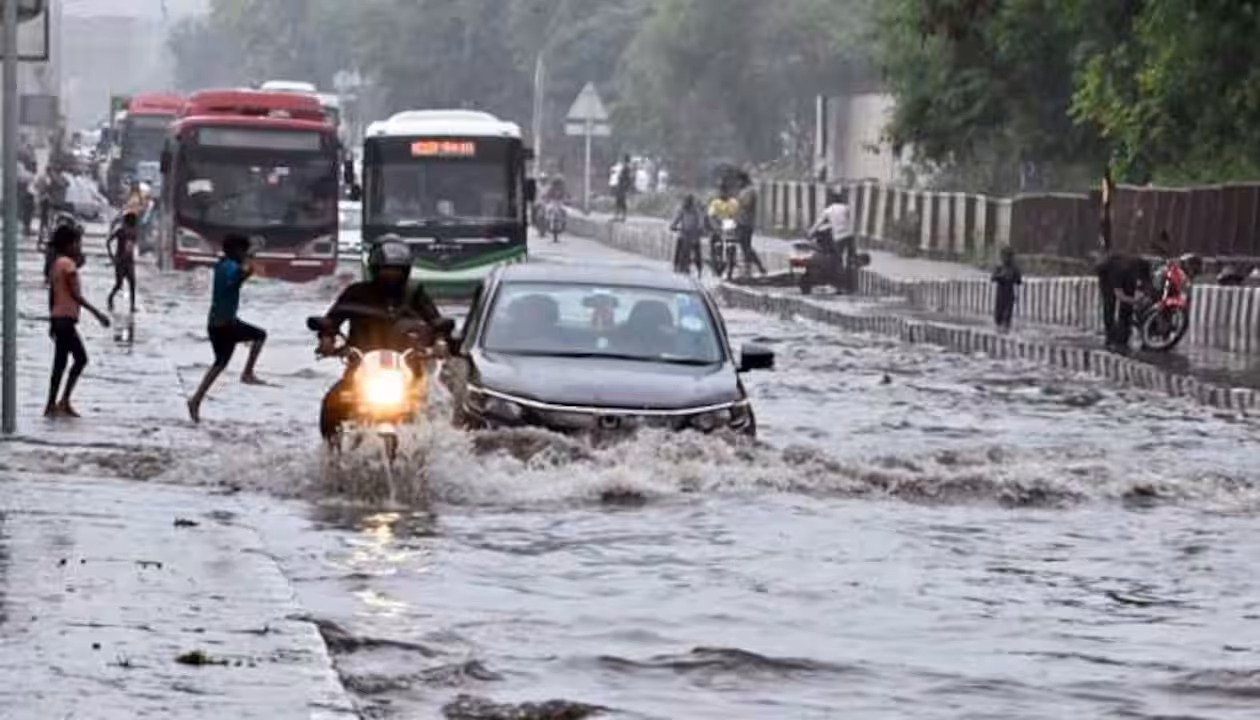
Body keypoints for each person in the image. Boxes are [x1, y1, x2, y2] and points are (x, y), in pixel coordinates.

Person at [314, 236, 447, 442]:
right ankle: (331, 454)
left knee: (433, 411)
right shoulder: (356, 293)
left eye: (397, 270)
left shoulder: (415, 293)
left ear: (406, 271)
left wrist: (439, 342)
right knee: (333, 403)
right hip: (360, 367)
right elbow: (332, 320)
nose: (391, 275)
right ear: (375, 269)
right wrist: (326, 339)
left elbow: (436, 321)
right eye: (386, 269)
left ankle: (431, 456)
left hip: (408, 369)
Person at [187, 234, 267, 422]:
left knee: (220, 364)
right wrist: (249, 265)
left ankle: (196, 400)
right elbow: (237, 277)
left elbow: (238, 278)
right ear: (236, 251)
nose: (245, 254)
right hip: (225, 325)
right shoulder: (230, 266)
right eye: (243, 251)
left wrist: (248, 264)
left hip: (218, 322)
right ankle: (247, 373)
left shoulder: (222, 265)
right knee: (260, 335)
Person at [45, 225, 110, 418]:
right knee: (80, 359)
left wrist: (51, 320)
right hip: (66, 319)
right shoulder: (68, 266)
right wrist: (98, 314)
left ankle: (52, 404)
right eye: (77, 243)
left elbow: (52, 295)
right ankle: (63, 401)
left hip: (58, 318)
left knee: (60, 363)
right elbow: (75, 295)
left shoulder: (56, 264)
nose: (79, 246)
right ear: (69, 244)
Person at [1095, 249, 1154, 351]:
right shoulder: (1118, 272)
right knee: (1110, 303)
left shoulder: (1142, 265)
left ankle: (1124, 334)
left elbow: (1148, 283)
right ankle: (1110, 336)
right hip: (1107, 270)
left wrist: (1147, 295)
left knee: (1127, 306)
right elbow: (1120, 295)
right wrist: (1136, 301)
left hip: (1125, 270)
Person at [734, 172, 767, 277]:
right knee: (744, 247)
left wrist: (739, 202)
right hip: (740, 222)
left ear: (743, 180)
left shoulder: (750, 191)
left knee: (746, 247)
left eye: (738, 181)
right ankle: (756, 266)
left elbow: (748, 204)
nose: (737, 183)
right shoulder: (743, 191)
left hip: (746, 223)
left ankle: (752, 268)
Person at [107, 212, 139, 314]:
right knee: (121, 284)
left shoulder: (130, 232)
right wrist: (113, 256)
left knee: (130, 284)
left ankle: (132, 306)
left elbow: (108, 242)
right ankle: (111, 298)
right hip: (123, 262)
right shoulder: (124, 231)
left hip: (126, 262)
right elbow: (109, 242)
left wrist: (112, 256)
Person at [670, 194, 708, 276]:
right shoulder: (682, 210)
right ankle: (676, 264)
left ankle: (699, 267)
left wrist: (700, 228)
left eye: (689, 203)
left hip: (694, 234)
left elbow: (701, 221)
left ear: (691, 203)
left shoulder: (697, 211)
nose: (687, 205)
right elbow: (677, 219)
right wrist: (673, 225)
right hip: (684, 233)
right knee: (679, 244)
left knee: (697, 251)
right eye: (686, 202)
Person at [991, 247, 1022, 333]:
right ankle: (999, 330)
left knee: (1007, 316)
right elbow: (993, 278)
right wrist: (1001, 276)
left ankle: (1005, 330)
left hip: (1009, 294)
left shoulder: (1014, 268)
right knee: (998, 317)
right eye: (1006, 256)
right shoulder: (999, 267)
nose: (1008, 258)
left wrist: (1013, 277)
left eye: (1010, 256)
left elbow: (1019, 281)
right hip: (1000, 293)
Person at [613, 155, 632, 222]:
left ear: (625, 160)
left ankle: (622, 217)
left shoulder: (627, 168)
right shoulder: (626, 167)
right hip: (622, 186)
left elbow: (628, 179)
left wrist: (626, 188)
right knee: (619, 201)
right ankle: (619, 216)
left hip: (622, 187)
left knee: (621, 202)